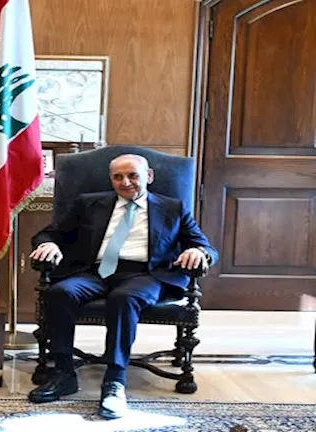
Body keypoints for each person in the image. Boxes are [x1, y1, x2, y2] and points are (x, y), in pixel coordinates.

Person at [27, 154, 218, 419]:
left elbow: (204, 245)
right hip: (95, 272)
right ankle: (63, 374)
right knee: (60, 292)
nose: (125, 182)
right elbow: (50, 233)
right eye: (118, 177)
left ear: (148, 176)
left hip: (145, 275)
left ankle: (114, 382)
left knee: (124, 298)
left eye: (133, 175)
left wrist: (199, 252)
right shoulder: (89, 204)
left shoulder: (173, 208)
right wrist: (48, 244)